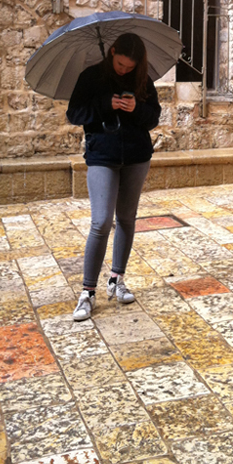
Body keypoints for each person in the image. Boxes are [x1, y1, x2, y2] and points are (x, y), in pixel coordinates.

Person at [67, 33, 161, 321]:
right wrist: (106, 104)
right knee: (100, 222)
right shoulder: (91, 77)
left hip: (136, 156)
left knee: (127, 219)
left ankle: (117, 279)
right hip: (102, 156)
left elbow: (153, 117)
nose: (124, 70)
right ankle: (87, 292)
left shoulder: (142, 80)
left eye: (130, 67)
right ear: (112, 52)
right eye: (121, 64)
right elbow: (75, 113)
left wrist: (136, 109)